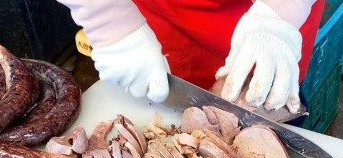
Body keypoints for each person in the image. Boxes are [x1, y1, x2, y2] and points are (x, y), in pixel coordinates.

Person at [57, 0, 324, 113]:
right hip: (153, 21)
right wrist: (107, 18)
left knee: (268, 96)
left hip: (266, 25)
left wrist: (279, 15)